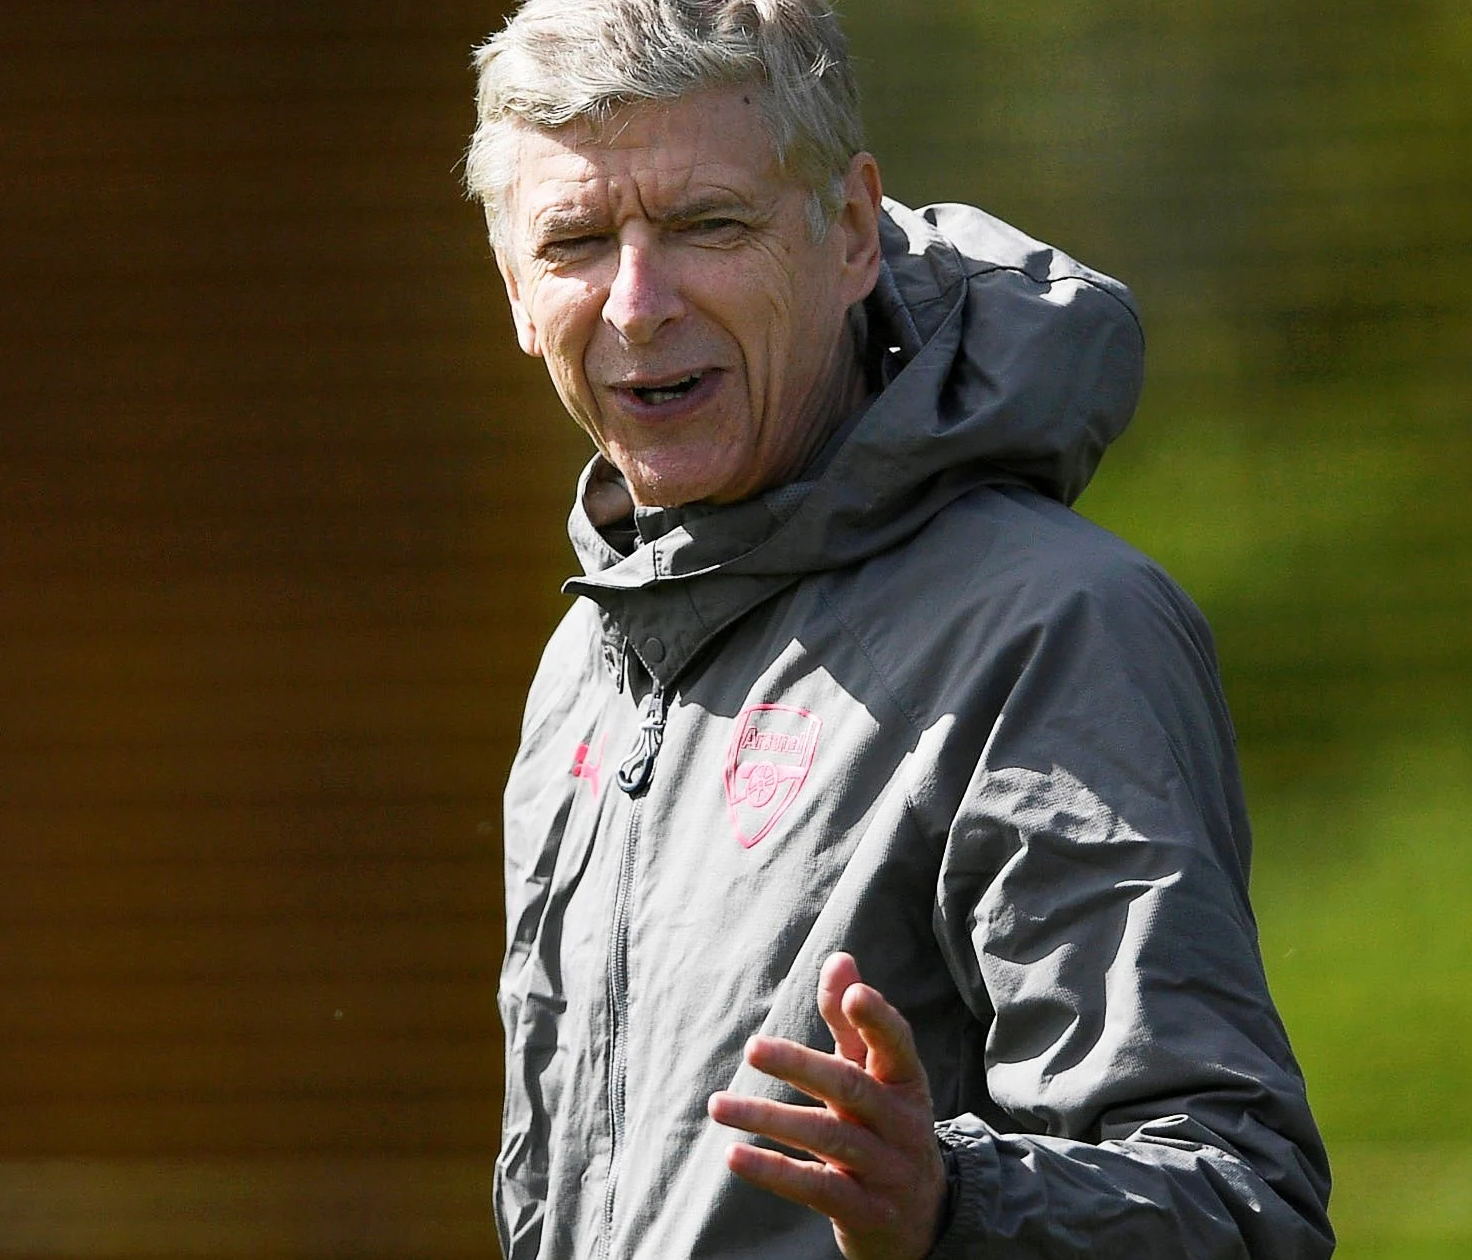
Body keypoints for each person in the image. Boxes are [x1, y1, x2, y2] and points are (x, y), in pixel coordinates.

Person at [464, 2, 1334, 1256]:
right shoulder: (583, 671)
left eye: (708, 223)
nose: (637, 303)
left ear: (851, 233)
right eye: (577, 241)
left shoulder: (1052, 626)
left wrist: (947, 1209)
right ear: (511, 288)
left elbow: (1236, 1206)